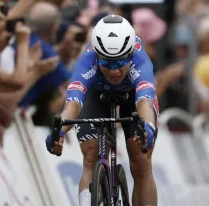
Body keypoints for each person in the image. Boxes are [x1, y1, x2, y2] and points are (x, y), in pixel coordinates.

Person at [45, 15, 159, 206]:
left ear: (130, 54)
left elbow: (145, 102)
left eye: (120, 62)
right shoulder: (86, 62)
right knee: (90, 159)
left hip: (133, 97)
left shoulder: (141, 63)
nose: (114, 70)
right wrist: (59, 132)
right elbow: (72, 104)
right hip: (96, 94)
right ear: (97, 55)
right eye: (107, 62)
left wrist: (148, 128)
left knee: (141, 162)